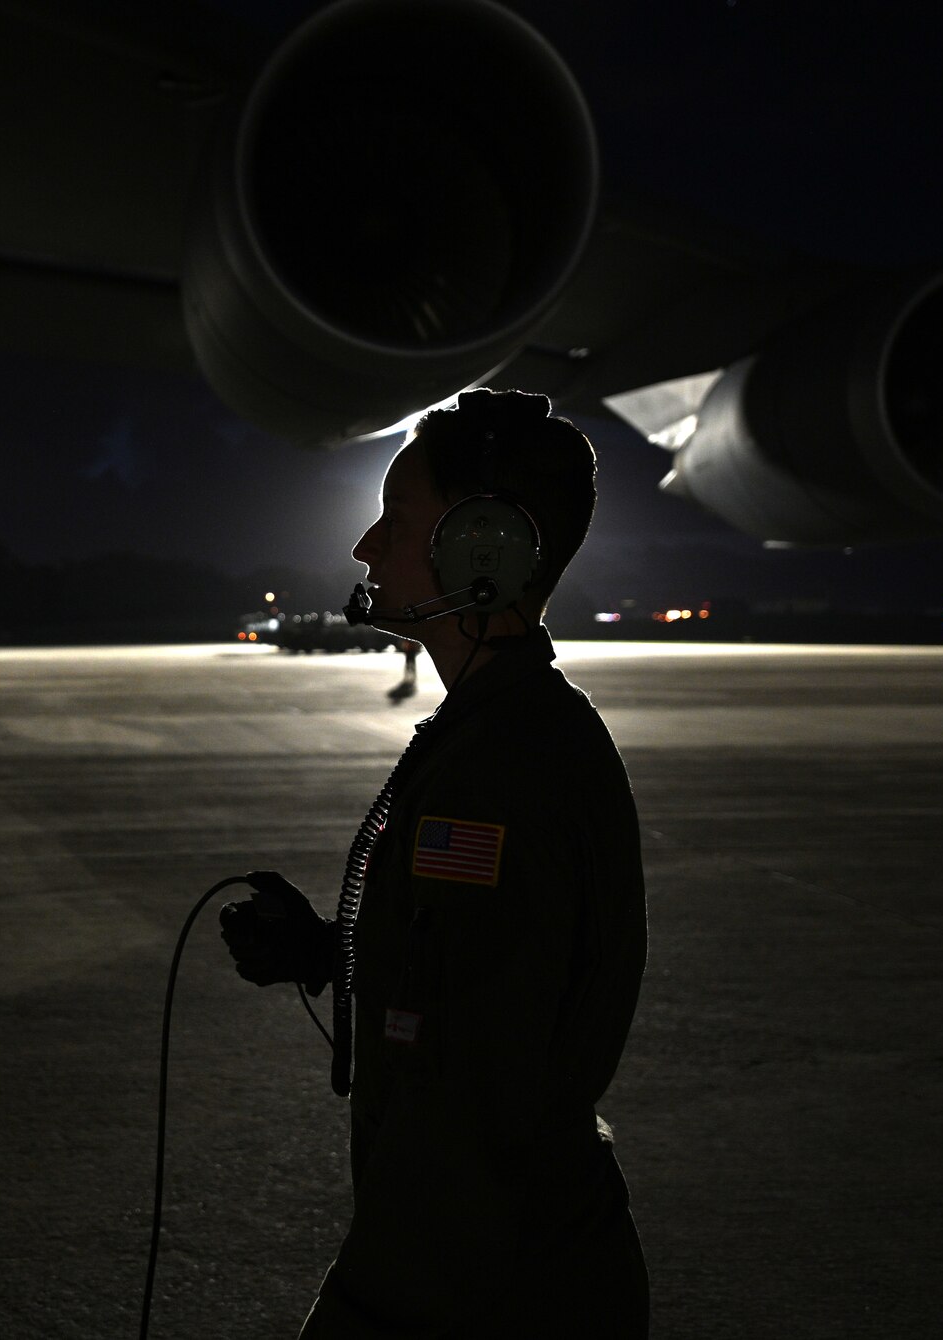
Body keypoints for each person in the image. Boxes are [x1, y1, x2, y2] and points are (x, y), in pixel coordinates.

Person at [220, 388, 649, 1338]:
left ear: (483, 548)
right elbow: (474, 971)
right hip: (518, 1248)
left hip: (487, 1273)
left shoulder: (500, 764)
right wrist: (331, 952)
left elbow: (474, 1070)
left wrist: (381, 1308)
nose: (366, 548)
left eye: (396, 518)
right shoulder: (508, 731)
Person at [387, 638, 421, 703]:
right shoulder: (411, 639)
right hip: (410, 650)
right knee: (411, 664)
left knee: (409, 664)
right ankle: (411, 676)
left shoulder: (409, 639)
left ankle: (409, 676)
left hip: (409, 650)